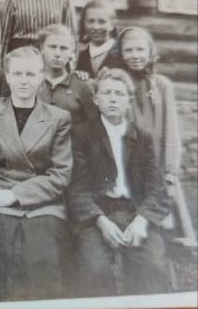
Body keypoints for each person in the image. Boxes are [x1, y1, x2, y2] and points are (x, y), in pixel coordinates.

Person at [0, 46, 73, 302]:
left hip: (42, 203)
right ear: (7, 76)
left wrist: (14, 195)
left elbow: (60, 174)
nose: (23, 80)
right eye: (18, 73)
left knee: (42, 253)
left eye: (30, 74)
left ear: (41, 77)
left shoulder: (58, 118)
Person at [69, 68, 172, 296]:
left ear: (129, 101)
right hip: (98, 214)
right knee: (94, 268)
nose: (113, 99)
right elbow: (78, 189)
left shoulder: (143, 137)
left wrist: (142, 221)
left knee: (153, 266)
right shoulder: (82, 135)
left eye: (119, 94)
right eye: (106, 93)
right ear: (96, 99)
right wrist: (101, 221)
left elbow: (157, 189)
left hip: (135, 211)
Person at [116, 27, 182, 197]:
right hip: (128, 165)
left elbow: (170, 130)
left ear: (150, 51)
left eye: (140, 49)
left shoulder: (161, 85)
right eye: (128, 50)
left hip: (158, 164)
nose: (135, 55)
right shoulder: (117, 84)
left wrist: (169, 171)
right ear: (120, 53)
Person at [37, 24, 97, 130]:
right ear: (42, 49)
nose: (57, 54)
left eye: (63, 48)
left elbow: (95, 124)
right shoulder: (32, 82)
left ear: (71, 53)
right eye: (52, 47)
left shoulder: (82, 85)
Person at [76, 0, 121, 78]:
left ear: (112, 24)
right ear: (84, 23)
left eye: (102, 21)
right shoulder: (79, 55)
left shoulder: (121, 54)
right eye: (90, 21)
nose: (96, 27)